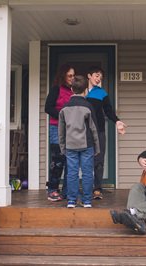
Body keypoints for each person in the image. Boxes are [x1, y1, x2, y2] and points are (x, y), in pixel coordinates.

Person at [58, 75, 100, 208]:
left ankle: (71, 200)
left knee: (72, 172)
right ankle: (87, 201)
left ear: (71, 89)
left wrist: (62, 147)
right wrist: (97, 147)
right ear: (86, 89)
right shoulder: (88, 106)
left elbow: (61, 130)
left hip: (70, 145)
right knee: (87, 172)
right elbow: (94, 128)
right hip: (86, 144)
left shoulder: (64, 108)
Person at [86, 66, 127, 200]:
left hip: (99, 131)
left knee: (98, 160)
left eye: (100, 77)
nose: (98, 79)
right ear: (89, 76)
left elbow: (109, 111)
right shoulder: (80, 92)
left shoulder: (102, 93)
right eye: (96, 76)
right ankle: (83, 189)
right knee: (83, 159)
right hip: (82, 131)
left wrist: (117, 122)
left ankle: (97, 188)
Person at [44, 64, 75, 201]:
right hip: (56, 128)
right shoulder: (56, 89)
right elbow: (48, 108)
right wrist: (62, 116)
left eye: (74, 75)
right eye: (70, 75)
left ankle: (67, 191)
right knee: (58, 161)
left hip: (71, 130)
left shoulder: (74, 91)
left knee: (71, 161)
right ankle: (52, 189)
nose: (72, 78)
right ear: (63, 76)